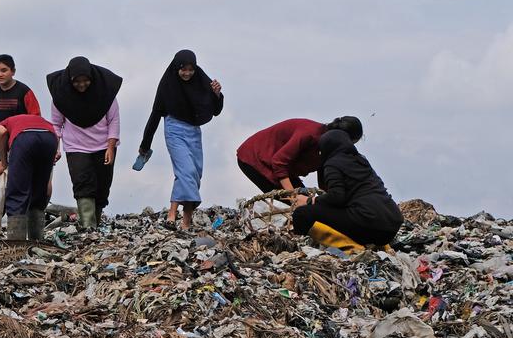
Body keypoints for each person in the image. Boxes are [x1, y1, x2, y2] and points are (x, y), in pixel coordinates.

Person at [138, 49, 223, 230]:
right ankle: (172, 215)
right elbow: (155, 115)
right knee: (186, 170)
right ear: (177, 68)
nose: (187, 73)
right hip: (174, 128)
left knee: (194, 174)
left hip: (194, 131)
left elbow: (215, 111)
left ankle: (184, 222)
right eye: (183, 69)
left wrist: (217, 95)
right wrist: (145, 145)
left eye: (191, 69)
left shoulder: (201, 81)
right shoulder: (168, 85)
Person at [292, 130, 403, 247]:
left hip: (369, 223)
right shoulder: (361, 160)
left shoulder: (332, 163)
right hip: (391, 226)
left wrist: (310, 201)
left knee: (301, 214)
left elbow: (337, 197)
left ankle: (343, 249)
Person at [47, 56, 122, 228]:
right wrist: (55, 147)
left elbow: (114, 121)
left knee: (102, 186)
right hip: (76, 146)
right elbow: (56, 124)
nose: (81, 85)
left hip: (104, 145)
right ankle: (88, 226)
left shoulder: (106, 92)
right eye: (77, 82)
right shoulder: (61, 95)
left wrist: (110, 147)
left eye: (85, 81)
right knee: (82, 183)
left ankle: (95, 220)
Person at [236, 116, 363, 193]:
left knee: (307, 201)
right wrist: (292, 196)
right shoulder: (310, 133)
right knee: (291, 205)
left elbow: (325, 183)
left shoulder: (329, 148)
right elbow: (279, 162)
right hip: (256, 158)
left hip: (282, 169)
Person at [0, 114, 58, 240]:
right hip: (50, 138)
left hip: (25, 138)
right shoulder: (32, 119)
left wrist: (4, 162)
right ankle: (37, 240)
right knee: (39, 192)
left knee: (17, 193)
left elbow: (0, 132)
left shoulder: (3, 122)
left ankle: (16, 244)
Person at [0, 54, 41, 161]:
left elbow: (36, 118)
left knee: (16, 170)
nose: (0, 74)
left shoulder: (24, 92)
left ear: (13, 71)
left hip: (17, 139)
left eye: (4, 70)